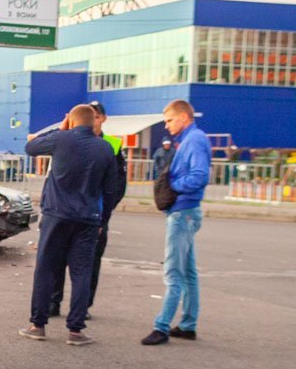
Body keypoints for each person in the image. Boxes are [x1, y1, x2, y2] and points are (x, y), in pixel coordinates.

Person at [19, 104, 119, 346]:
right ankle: (75, 330)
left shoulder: (61, 139)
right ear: (92, 122)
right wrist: (102, 220)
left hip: (56, 215)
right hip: (87, 219)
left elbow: (30, 147)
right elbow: (111, 188)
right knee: (81, 273)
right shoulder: (106, 148)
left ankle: (38, 324)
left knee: (45, 269)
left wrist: (60, 128)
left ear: (71, 122)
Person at [142, 99, 211, 345]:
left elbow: (200, 176)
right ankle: (188, 324)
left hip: (183, 212)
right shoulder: (192, 139)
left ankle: (161, 327)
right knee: (188, 272)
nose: (167, 126)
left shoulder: (194, 140)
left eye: (169, 120)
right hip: (187, 210)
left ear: (183, 117)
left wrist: (173, 186)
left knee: (173, 272)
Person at [48, 101, 126, 316]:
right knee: (58, 259)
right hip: (66, 211)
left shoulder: (112, 145)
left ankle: (83, 308)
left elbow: (117, 185)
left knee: (89, 264)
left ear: (102, 119)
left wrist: (105, 213)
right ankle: (54, 301)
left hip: (95, 213)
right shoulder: (69, 139)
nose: (94, 120)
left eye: (97, 116)